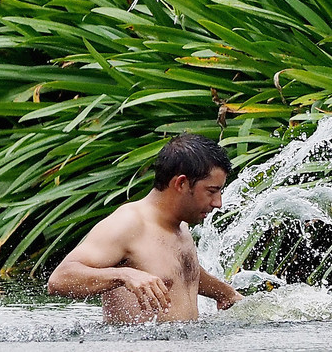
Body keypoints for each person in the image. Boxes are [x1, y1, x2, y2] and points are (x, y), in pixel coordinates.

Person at [47, 133, 242, 322]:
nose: (218, 203)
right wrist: (123, 275)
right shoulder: (127, 224)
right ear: (181, 183)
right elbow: (59, 279)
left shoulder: (180, 225)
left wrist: (225, 293)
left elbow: (178, 272)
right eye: (211, 191)